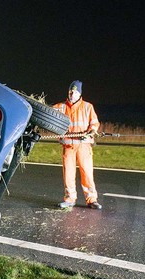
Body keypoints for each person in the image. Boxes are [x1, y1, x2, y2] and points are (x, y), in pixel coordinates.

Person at [53, 80, 102, 209]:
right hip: (68, 146)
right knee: (68, 174)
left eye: (74, 92)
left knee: (87, 173)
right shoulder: (60, 107)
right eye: (70, 91)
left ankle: (91, 199)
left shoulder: (87, 107)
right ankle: (70, 199)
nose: (71, 94)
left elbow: (94, 124)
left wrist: (91, 132)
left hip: (84, 146)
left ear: (79, 93)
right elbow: (49, 116)